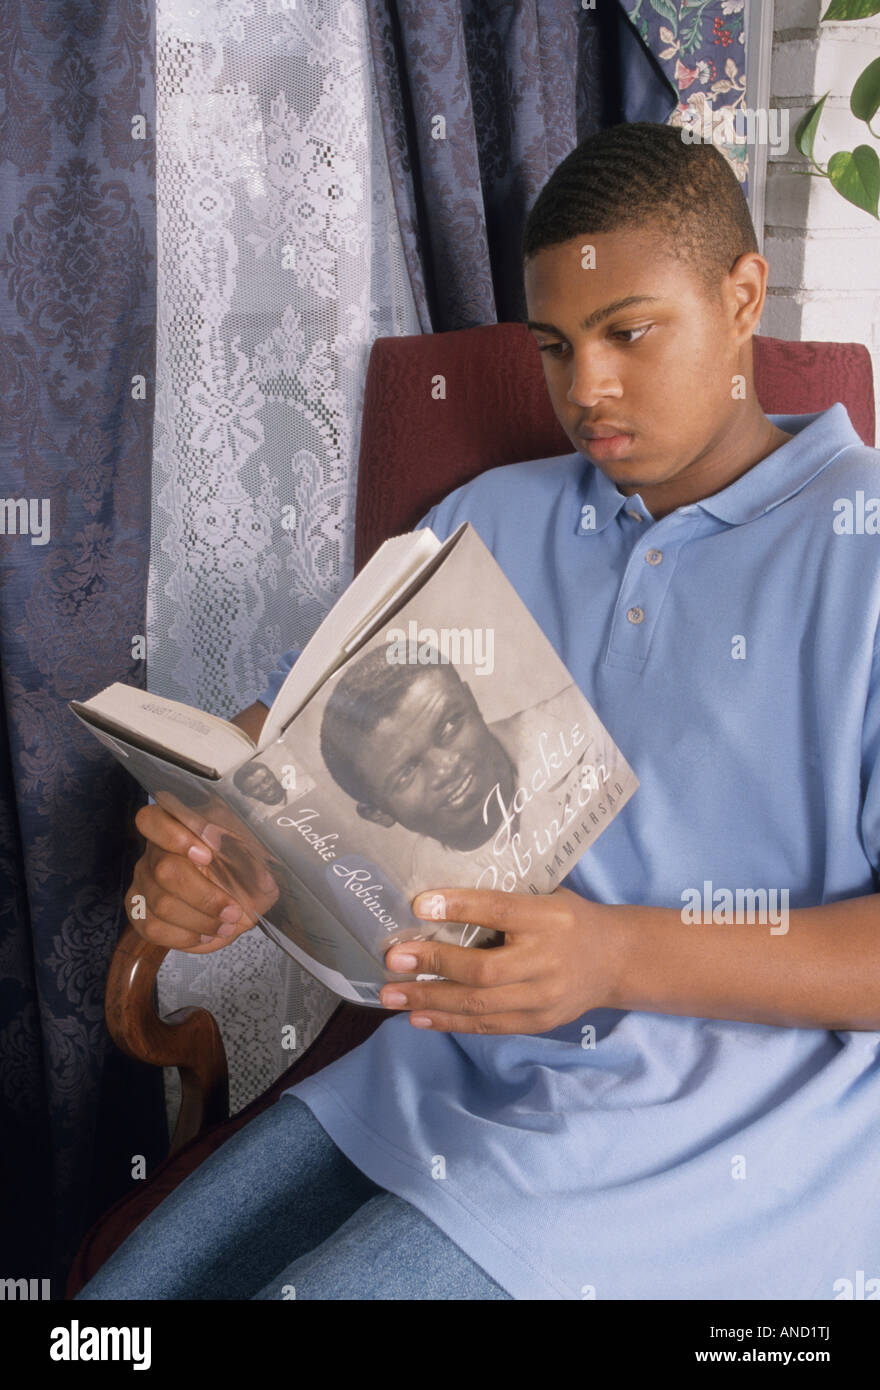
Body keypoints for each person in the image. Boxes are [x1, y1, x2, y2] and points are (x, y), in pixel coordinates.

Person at [76, 122, 880, 1301]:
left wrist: (613, 954)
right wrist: (221, 846)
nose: (584, 390)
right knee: (118, 1313)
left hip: (725, 1135)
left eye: (628, 333)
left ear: (742, 294)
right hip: (438, 1072)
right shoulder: (491, 517)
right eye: (555, 346)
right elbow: (288, 738)